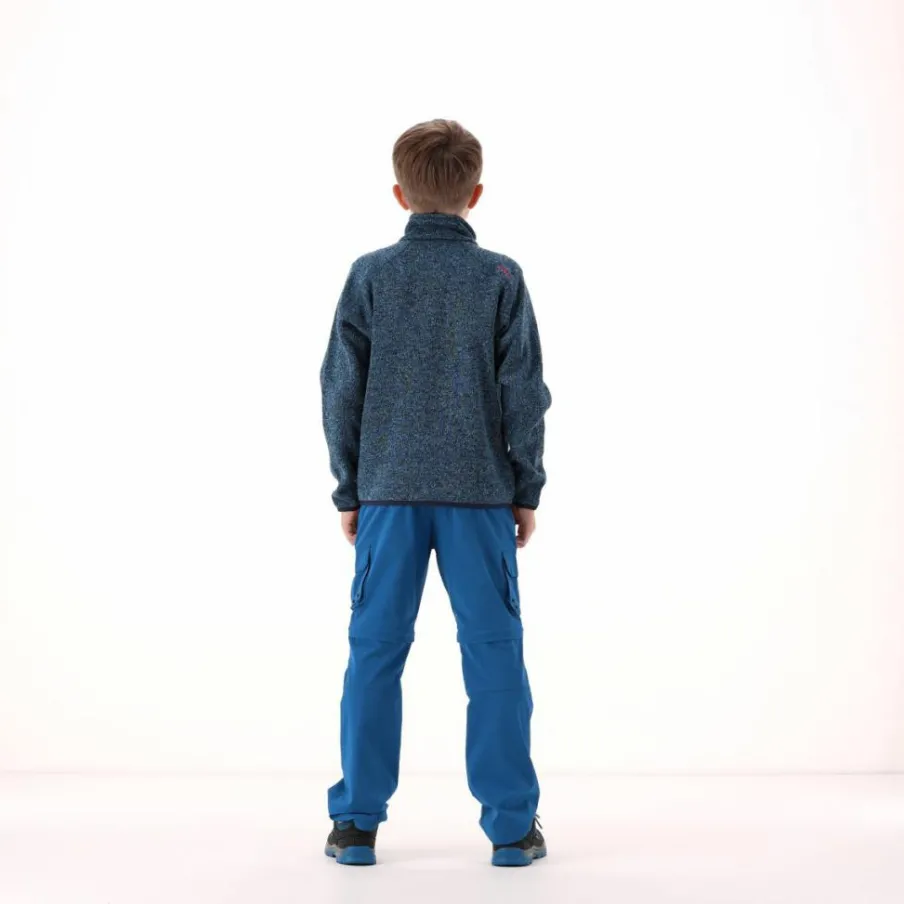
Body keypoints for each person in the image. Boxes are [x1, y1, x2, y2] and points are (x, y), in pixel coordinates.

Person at [319, 118, 552, 867]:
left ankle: (356, 825)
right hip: (480, 498)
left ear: (399, 194)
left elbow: (340, 389)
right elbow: (525, 393)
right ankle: (511, 829)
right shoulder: (500, 278)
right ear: (475, 193)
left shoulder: (370, 275)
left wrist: (351, 490)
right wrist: (526, 487)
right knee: (494, 655)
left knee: (374, 653)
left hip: (388, 497)